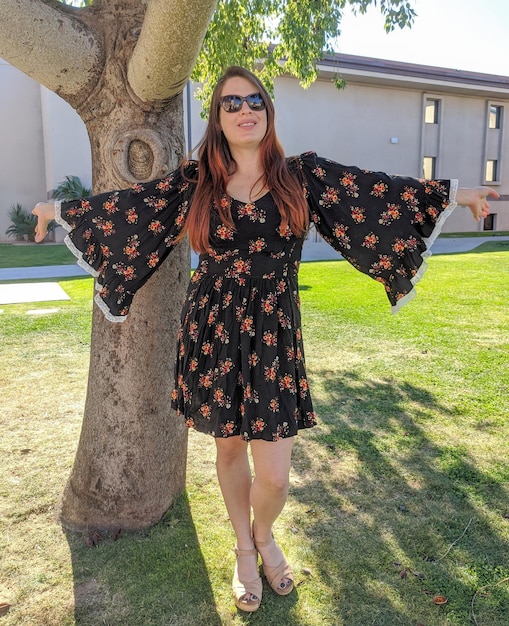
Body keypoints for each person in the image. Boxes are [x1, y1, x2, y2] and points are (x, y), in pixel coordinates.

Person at [32, 65, 497, 612]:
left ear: (268, 113)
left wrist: (460, 194)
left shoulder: (300, 176)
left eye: (255, 100)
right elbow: (136, 210)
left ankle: (265, 533)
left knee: (274, 475)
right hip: (213, 331)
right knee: (229, 446)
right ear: (218, 118)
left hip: (275, 334)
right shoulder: (197, 180)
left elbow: (376, 193)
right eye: (232, 103)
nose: (246, 109)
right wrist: (59, 210)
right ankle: (246, 551)